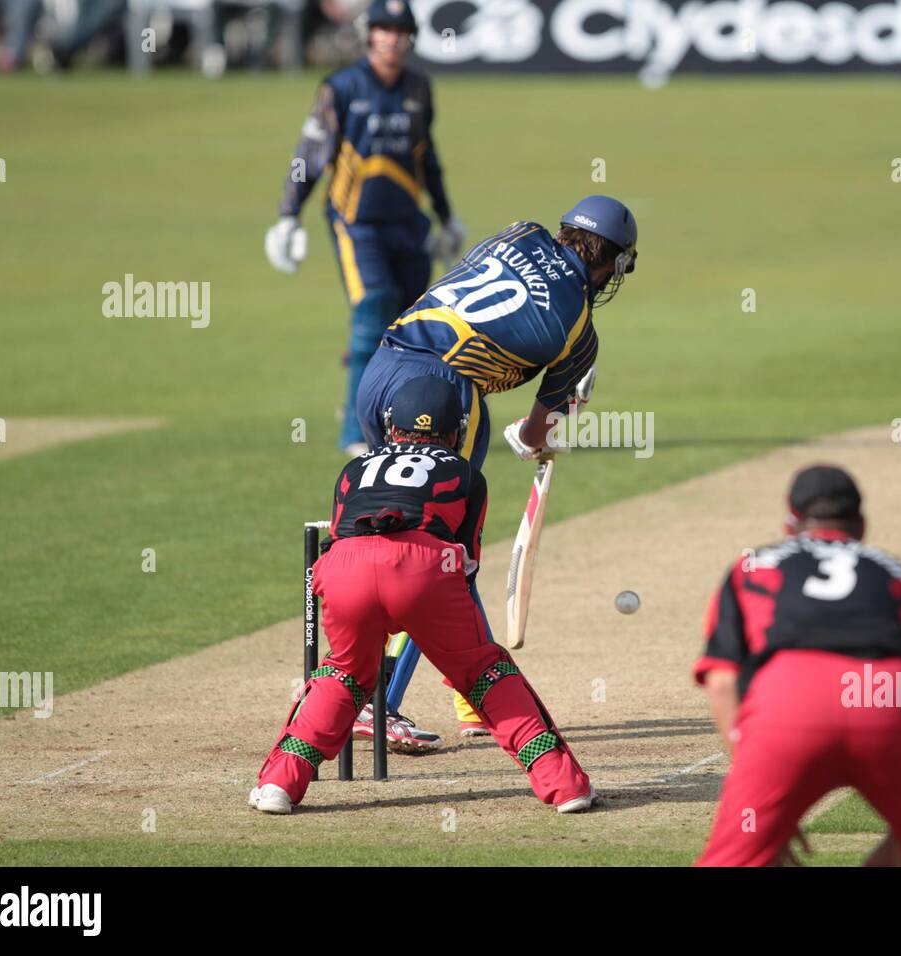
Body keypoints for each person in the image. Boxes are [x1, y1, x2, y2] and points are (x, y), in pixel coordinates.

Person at [351, 195, 638, 742]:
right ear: (613, 263)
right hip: (445, 398)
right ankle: (376, 697)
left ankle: (474, 695)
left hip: (380, 372)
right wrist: (542, 437)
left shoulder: (521, 230)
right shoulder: (579, 329)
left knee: (429, 545)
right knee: (436, 555)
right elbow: (535, 435)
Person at [249, 375, 594, 815]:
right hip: (426, 567)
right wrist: (456, 647)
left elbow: (340, 534)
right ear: (456, 430)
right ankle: (565, 787)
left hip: (342, 567)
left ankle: (279, 785)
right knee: (485, 672)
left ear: (391, 426)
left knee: (345, 675)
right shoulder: (466, 473)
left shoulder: (353, 468)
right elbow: (466, 562)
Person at [694, 465, 901, 867]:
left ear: (789, 523)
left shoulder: (751, 566)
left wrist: (758, 796)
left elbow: (723, 682)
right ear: (862, 525)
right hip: (893, 702)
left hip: (790, 704)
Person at [264, 0, 464, 455]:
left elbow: (426, 157)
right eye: (384, 29)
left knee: (411, 324)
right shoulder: (342, 87)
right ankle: (356, 433)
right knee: (372, 310)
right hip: (356, 223)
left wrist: (447, 215)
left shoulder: (419, 88)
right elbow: (309, 155)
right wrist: (287, 215)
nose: (392, 38)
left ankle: (410, 424)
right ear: (369, 35)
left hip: (408, 223)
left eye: (401, 30)